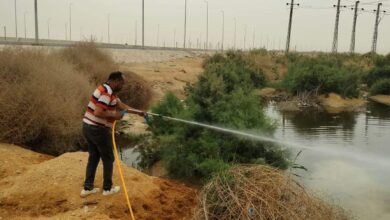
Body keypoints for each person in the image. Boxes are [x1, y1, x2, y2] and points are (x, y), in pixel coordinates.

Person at [80, 71, 144, 197]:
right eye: (122, 83)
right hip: (97, 129)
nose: (123, 85)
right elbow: (98, 112)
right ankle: (107, 189)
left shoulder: (108, 90)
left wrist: (138, 112)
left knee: (93, 157)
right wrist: (115, 115)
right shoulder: (106, 93)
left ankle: (87, 189)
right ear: (115, 81)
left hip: (88, 127)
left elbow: (121, 105)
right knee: (108, 158)